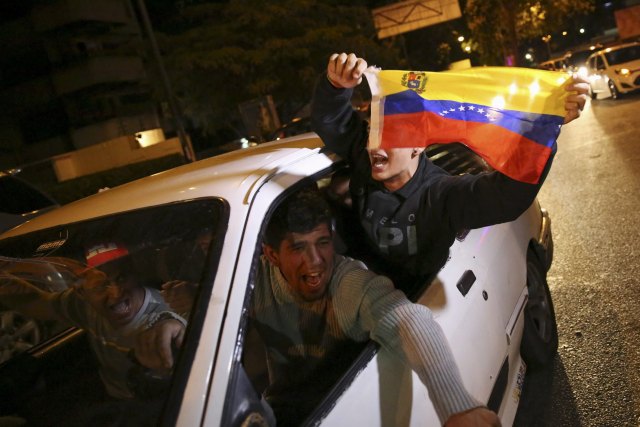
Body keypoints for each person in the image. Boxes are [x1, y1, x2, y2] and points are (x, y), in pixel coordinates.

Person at [311, 52, 590, 290]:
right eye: (373, 132)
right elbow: (332, 120)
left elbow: (507, 196)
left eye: (390, 136)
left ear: (417, 147)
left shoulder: (440, 195)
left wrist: (542, 132)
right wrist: (335, 85)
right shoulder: (366, 158)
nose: (374, 146)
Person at [251, 187, 500, 427]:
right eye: (298, 248)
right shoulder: (252, 281)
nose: (316, 260)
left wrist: (458, 407)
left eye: (323, 242)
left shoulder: (347, 282)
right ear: (271, 255)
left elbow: (407, 319)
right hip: (278, 410)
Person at [0, 242, 186, 400]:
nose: (115, 293)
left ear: (135, 274)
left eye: (121, 278)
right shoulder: (85, 306)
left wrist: (172, 331)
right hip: (105, 394)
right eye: (102, 285)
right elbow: (39, 303)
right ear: (81, 292)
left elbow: (174, 327)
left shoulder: (164, 313)